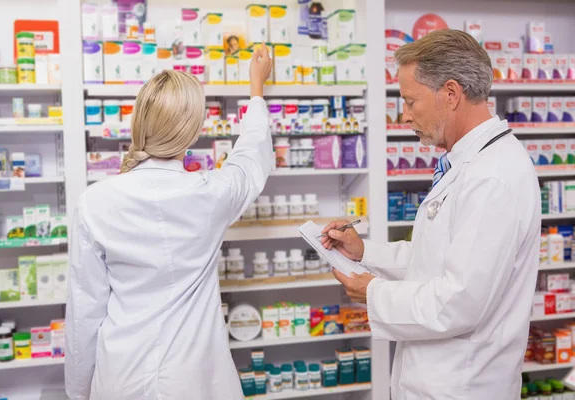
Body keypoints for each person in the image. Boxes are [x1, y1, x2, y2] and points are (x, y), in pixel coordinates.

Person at [321, 29, 540, 399]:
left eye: (410, 101)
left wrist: (373, 292)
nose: (404, 116)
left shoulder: (493, 178)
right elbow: (438, 259)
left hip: (463, 386)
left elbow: (458, 302)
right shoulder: (469, 164)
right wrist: (365, 254)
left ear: (451, 94)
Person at [65, 44, 274, 400]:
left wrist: (79, 392)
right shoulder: (212, 193)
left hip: (121, 376)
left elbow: (85, 312)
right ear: (192, 134)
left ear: (139, 124)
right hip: (194, 380)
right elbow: (251, 156)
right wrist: (256, 89)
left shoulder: (95, 202)